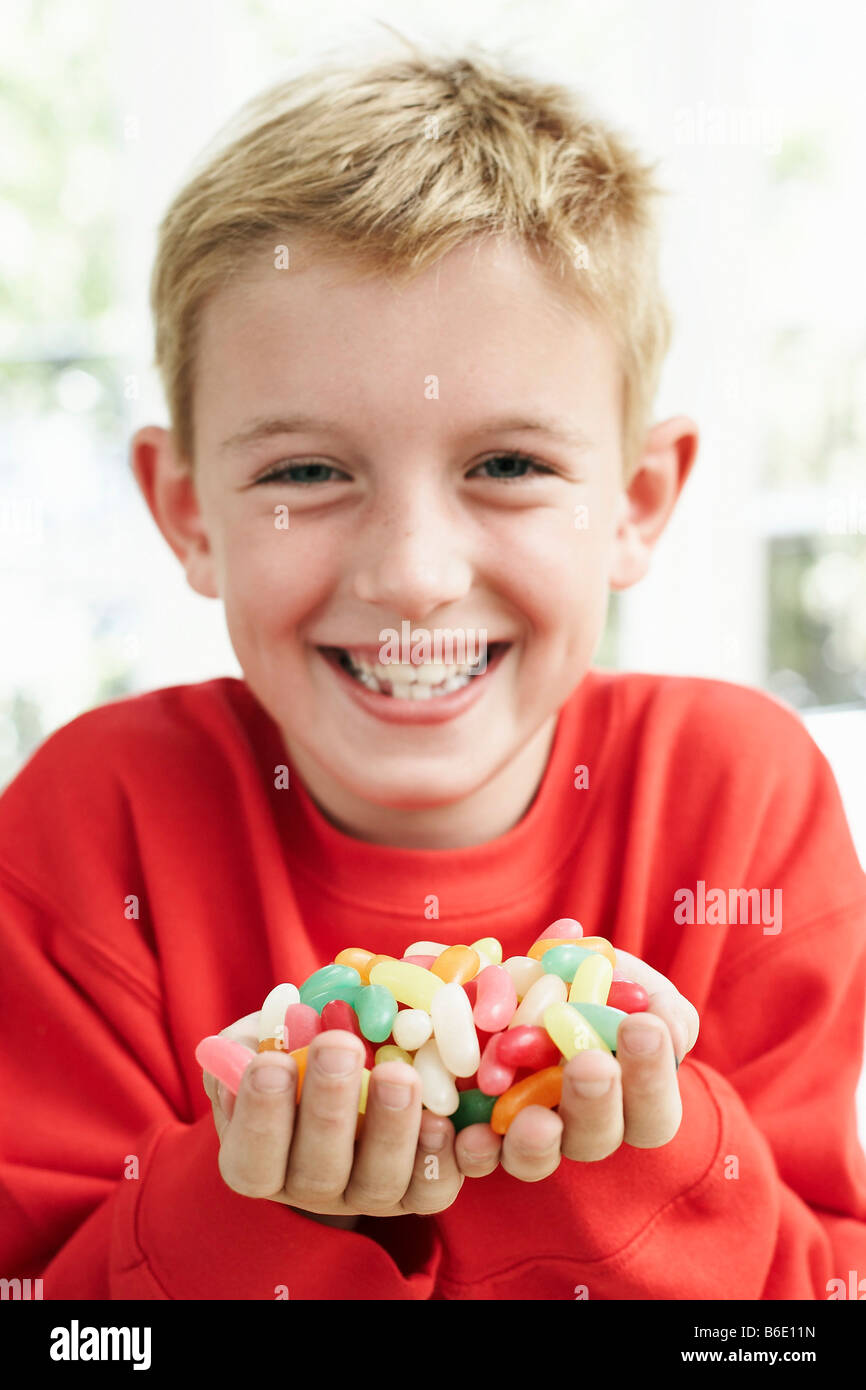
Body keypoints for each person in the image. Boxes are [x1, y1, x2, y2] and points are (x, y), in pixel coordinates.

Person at [1, 46, 864, 1301]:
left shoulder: (737, 805)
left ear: (636, 500)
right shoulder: (93, 827)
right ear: (186, 511)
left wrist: (643, 1149)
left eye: (507, 465)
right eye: (305, 472)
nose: (412, 574)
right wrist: (249, 1207)